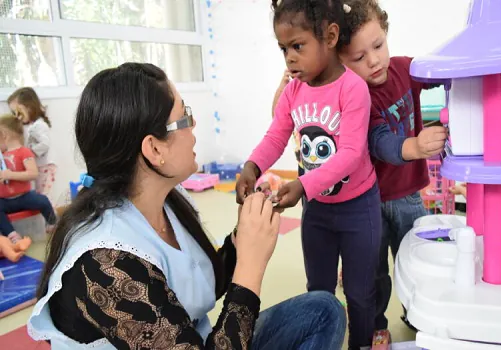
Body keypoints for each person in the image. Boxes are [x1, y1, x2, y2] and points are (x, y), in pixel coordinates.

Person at [28, 63, 346, 350]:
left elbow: (198, 282)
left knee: (323, 310)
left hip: (199, 338)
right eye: (184, 117)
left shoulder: (167, 200)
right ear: (154, 149)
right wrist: (250, 267)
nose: (193, 125)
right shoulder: (104, 263)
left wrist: (243, 236)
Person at [237, 1, 381, 348]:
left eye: (297, 46)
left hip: (359, 209)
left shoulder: (353, 89)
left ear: (330, 37)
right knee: (318, 294)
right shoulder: (293, 92)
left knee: (361, 294)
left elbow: (350, 155)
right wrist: (252, 167)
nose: (289, 57)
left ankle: (360, 343)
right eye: (283, 48)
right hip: (317, 211)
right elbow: (276, 136)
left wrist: (302, 185)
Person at [338, 0, 447, 345]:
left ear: (386, 34)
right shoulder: (356, 96)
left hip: (408, 196)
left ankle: (420, 314)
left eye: (378, 45)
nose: (373, 61)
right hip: (368, 203)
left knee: (418, 262)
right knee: (374, 273)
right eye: (358, 57)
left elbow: (438, 71)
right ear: (341, 61)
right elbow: (381, 141)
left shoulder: (405, 69)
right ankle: (375, 324)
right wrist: (415, 146)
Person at [0, 114, 56, 250]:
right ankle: (12, 235)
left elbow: (33, 173)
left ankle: (52, 224)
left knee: (42, 200)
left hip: (24, 196)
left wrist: (10, 174)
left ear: (5, 135)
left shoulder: (24, 152)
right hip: (4, 200)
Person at [7, 87, 56, 202]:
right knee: (40, 195)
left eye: (18, 112)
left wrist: (28, 154)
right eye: (14, 113)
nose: (17, 116)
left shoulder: (39, 125)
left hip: (45, 167)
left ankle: (52, 219)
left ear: (29, 108)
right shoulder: (32, 126)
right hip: (40, 167)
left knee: (44, 197)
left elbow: (45, 144)